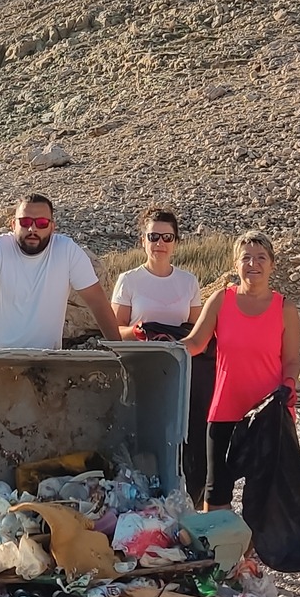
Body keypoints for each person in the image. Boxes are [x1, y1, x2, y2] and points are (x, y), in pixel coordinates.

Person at [182, 232, 300, 510]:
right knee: (216, 490)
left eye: (260, 257)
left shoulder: (285, 308)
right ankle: (223, 550)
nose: (253, 264)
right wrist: (161, 346)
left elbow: (292, 360)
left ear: (272, 264)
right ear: (235, 264)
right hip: (225, 409)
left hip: (268, 413)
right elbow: (196, 343)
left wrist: (290, 384)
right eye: (245, 258)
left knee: (264, 491)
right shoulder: (221, 299)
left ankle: (250, 552)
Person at [111, 207, 210, 504]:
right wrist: (139, 332)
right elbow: (114, 330)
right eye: (153, 236)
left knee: (183, 434)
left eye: (167, 237)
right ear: (143, 240)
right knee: (143, 431)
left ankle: (185, 495)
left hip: (180, 369)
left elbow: (195, 330)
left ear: (176, 242)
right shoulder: (129, 280)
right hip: (139, 366)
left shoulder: (189, 281)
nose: (160, 243)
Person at [0, 194, 120, 349]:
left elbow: (97, 302)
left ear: (52, 227)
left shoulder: (68, 251)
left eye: (41, 223)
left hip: (45, 363)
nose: (32, 229)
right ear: (13, 224)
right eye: (25, 222)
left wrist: (119, 351)